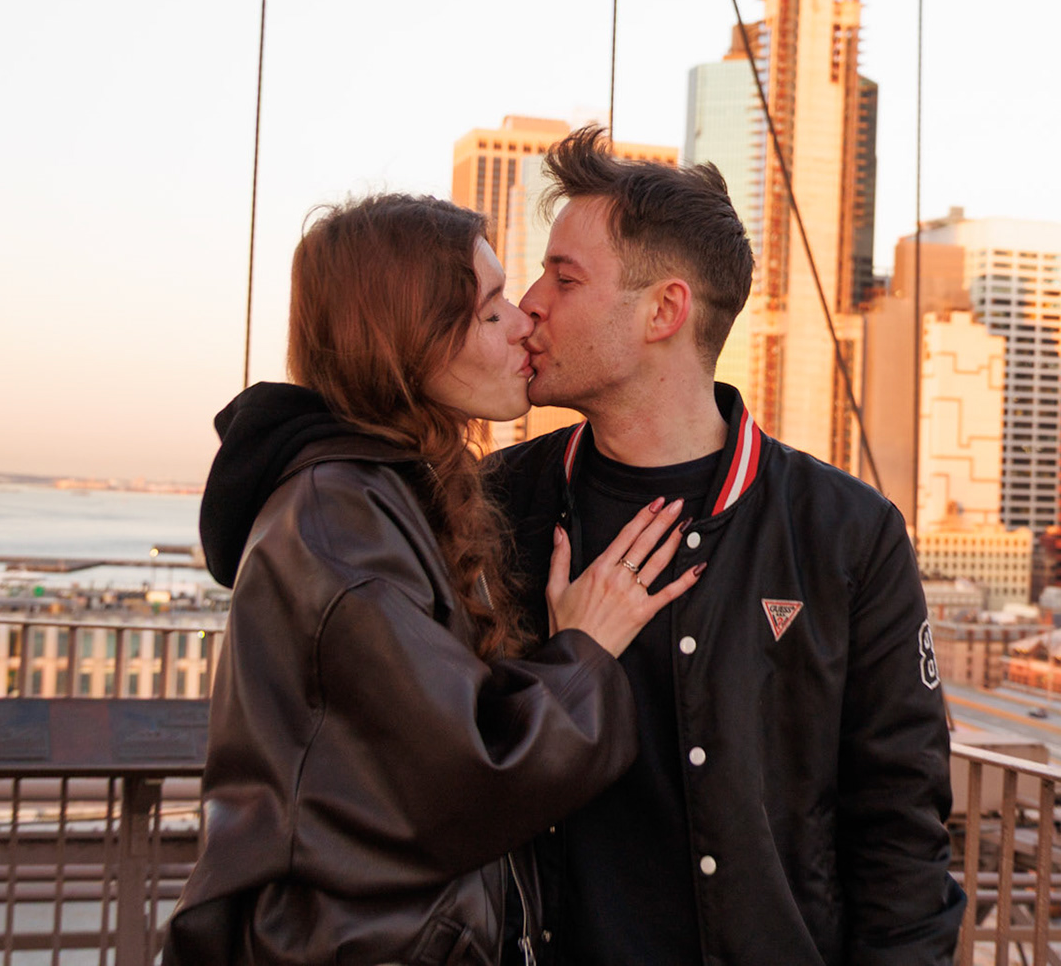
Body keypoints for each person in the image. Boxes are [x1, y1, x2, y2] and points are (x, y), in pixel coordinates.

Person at [165, 194, 703, 965]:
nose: (522, 320)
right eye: (489, 311)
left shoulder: (388, 495)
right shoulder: (341, 529)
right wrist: (584, 649)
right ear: (406, 345)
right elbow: (471, 777)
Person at [489, 128, 965, 966]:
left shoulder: (847, 532)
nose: (530, 303)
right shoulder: (493, 507)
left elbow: (901, 831)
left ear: (664, 311)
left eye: (564, 278)